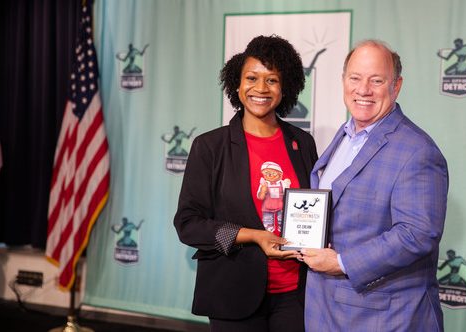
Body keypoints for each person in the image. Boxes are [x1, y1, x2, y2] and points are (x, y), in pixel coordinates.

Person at [300, 40, 449, 331]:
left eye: (376, 80)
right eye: (355, 78)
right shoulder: (345, 136)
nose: (363, 89)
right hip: (326, 310)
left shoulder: (417, 150)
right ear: (344, 80)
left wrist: (342, 262)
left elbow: (417, 233)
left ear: (397, 86)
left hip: (385, 319)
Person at [173, 35, 318, 332]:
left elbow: (313, 210)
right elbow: (188, 224)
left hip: (296, 295)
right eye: (252, 78)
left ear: (285, 87)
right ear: (237, 85)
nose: (261, 89)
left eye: (272, 80)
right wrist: (252, 235)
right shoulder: (210, 146)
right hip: (234, 293)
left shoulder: (302, 143)